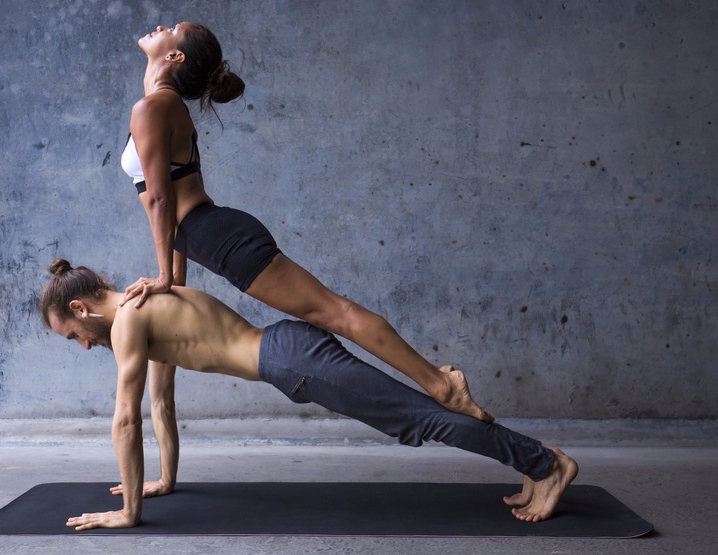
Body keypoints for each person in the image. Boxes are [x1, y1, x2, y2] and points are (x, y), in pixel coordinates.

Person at [119, 21, 492, 425]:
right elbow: (173, 195)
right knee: (333, 311)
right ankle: (439, 383)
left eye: (172, 28)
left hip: (223, 239)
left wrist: (163, 277)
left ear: (175, 57)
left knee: (333, 312)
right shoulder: (160, 106)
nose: (161, 26)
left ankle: (441, 384)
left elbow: (160, 200)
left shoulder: (153, 108)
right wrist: (172, 276)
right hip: (214, 233)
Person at [39, 259, 578, 530]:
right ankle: (534, 463)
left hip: (294, 362)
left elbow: (126, 421)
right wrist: (163, 481)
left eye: (72, 337)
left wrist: (128, 513)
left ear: (81, 310)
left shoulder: (129, 318)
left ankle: (546, 463)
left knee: (418, 419)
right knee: (414, 418)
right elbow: (160, 406)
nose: (84, 347)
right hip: (289, 351)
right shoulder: (144, 306)